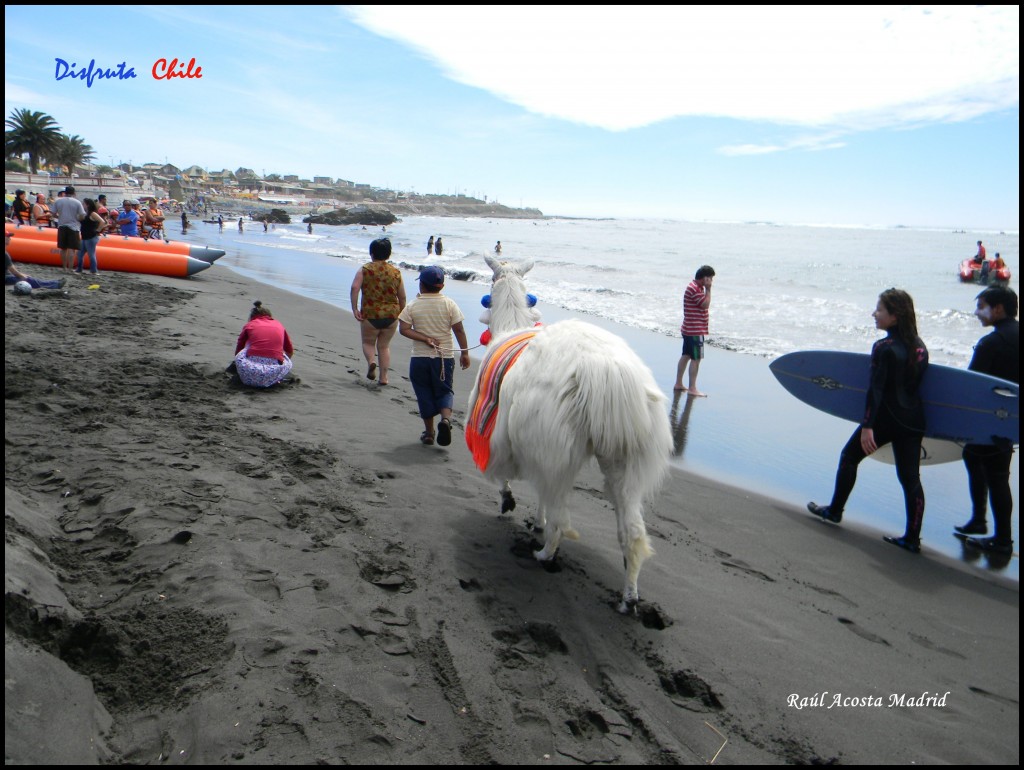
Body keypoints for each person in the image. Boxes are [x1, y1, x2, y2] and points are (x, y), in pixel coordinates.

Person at [808, 288, 929, 553]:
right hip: (913, 420)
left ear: (895, 316)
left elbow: (876, 390)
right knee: (910, 478)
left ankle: (835, 510)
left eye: (880, 310)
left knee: (849, 457)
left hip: (886, 419)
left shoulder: (883, 347)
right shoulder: (920, 347)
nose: (874, 314)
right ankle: (912, 538)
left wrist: (867, 425)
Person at [954, 287, 1018, 556]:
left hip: (989, 418)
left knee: (997, 475)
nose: (977, 312)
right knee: (973, 456)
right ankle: (979, 520)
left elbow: (971, 383)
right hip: (1012, 418)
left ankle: (1002, 540)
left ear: (998, 309)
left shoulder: (991, 343)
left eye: (981, 306)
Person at [398, 266, 470, 446]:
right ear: (442, 286)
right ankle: (445, 419)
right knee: (444, 390)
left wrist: (424, 338)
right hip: (444, 358)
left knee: (423, 392)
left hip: (420, 358)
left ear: (421, 285)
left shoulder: (413, 305)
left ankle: (429, 433)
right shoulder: (449, 304)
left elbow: (404, 329)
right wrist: (464, 352)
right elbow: (459, 330)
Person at [350, 238, 406, 387]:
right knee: (384, 346)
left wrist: (355, 308)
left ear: (372, 253)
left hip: (371, 314)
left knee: (368, 343)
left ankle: (371, 362)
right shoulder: (396, 272)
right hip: (391, 315)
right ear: (389, 254)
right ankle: (384, 377)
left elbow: (355, 288)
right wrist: (402, 313)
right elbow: (402, 296)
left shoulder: (365, 269)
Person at [673, 265, 715, 396]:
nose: (711, 281)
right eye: (710, 278)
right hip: (695, 331)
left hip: (688, 328)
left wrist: (705, 289)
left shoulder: (694, 287)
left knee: (686, 355)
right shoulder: (695, 289)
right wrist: (708, 290)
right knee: (696, 359)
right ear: (705, 278)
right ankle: (692, 388)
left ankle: (679, 383)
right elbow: (705, 304)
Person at [232, 300, 295, 388]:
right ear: (269, 316)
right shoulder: (279, 325)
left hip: (249, 369)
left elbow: (240, 346)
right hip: (273, 371)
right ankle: (276, 378)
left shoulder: (250, 324)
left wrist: (237, 364)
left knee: (249, 345)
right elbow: (290, 351)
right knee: (281, 353)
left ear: (252, 316)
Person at [51, 186, 86, 272]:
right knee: (72, 249)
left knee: (63, 248)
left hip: (62, 226)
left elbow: (53, 213)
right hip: (73, 227)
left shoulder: (58, 201)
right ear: (73, 193)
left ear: (65, 192)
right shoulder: (77, 202)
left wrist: (60, 217)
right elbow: (82, 215)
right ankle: (70, 268)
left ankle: (64, 267)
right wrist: (77, 219)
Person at [74, 198, 105, 275]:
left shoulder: (92, 214)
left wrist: (98, 230)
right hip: (85, 236)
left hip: (91, 236)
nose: (82, 205)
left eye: (83, 204)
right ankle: (79, 269)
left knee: (91, 254)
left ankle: (94, 270)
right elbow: (78, 219)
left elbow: (102, 222)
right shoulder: (85, 214)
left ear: (87, 205)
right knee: (79, 253)